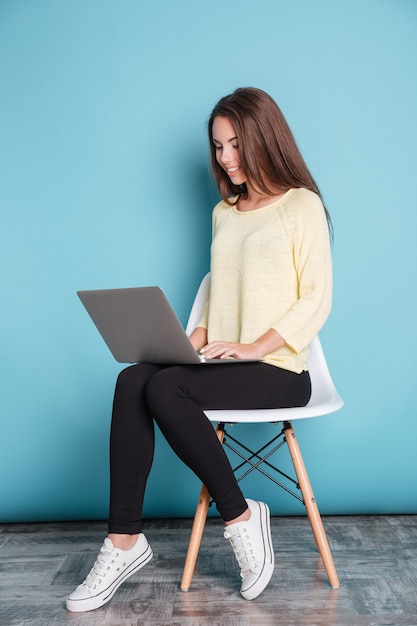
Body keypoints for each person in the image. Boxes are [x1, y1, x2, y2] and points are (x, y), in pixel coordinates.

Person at [66, 87, 332, 612]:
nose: (226, 158)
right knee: (134, 378)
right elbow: (218, 299)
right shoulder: (224, 213)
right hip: (224, 362)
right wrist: (182, 346)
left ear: (264, 140)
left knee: (167, 387)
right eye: (218, 147)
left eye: (236, 145)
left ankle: (238, 516)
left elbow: (317, 297)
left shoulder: (301, 205)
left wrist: (257, 345)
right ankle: (124, 541)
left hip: (280, 368)